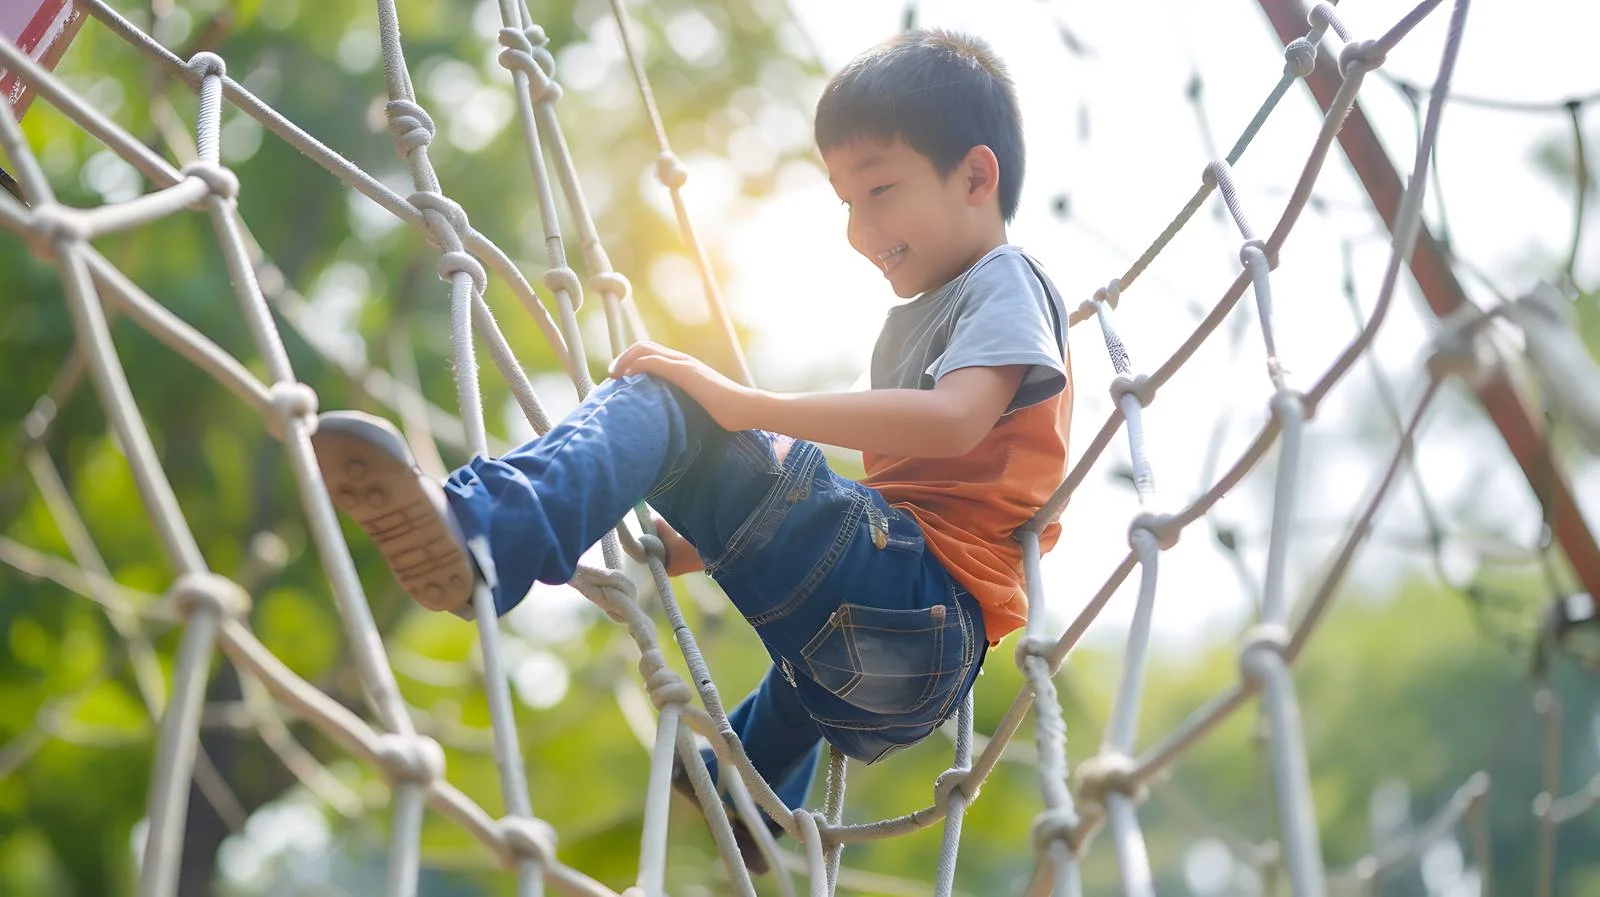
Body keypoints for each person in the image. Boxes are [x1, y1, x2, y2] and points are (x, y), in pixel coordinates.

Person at [311, 27, 1073, 873]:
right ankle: (743, 804)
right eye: (845, 201)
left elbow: (959, 420)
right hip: (901, 670)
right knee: (800, 663)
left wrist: (744, 405)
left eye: (880, 189)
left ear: (975, 175)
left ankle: (489, 529)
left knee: (670, 400)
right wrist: (701, 539)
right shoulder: (931, 314)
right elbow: (920, 498)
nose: (860, 227)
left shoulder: (1003, 279)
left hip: (921, 608)